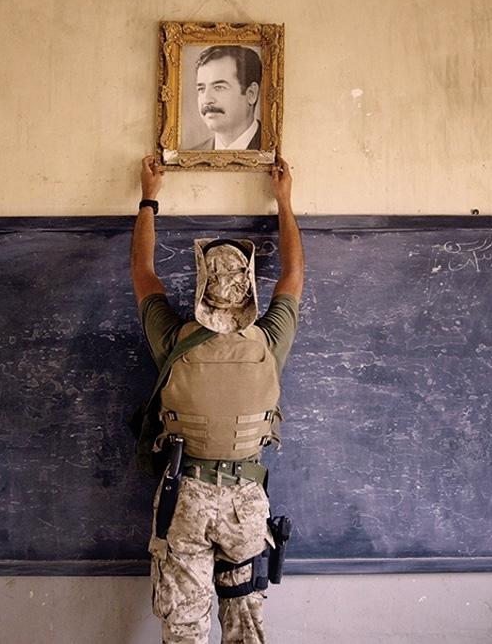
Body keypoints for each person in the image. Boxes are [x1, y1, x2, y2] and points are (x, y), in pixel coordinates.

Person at [131, 154, 304, 643]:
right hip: (246, 504)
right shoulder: (269, 342)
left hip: (184, 497)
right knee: (246, 627)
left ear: (202, 285)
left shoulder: (174, 338)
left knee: (185, 628)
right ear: (249, 287)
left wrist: (148, 196)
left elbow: (143, 271)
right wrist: (284, 200)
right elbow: (293, 272)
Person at [185, 46, 263, 151]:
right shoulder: (189, 157)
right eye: (201, 89)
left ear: (251, 94)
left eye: (219, 87)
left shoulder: (275, 152)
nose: (207, 100)